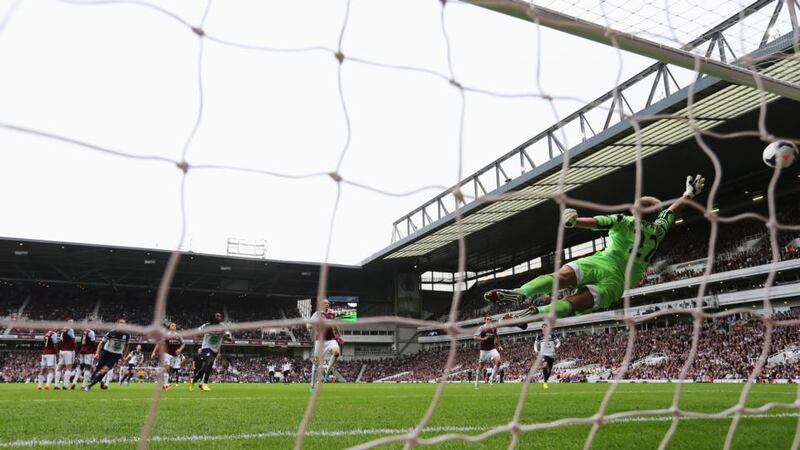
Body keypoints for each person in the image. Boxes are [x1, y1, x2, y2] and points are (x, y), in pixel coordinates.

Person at [485, 175, 706, 321]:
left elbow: (596, 223)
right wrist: (689, 194)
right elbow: (674, 210)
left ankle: (522, 292)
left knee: (560, 277)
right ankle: (538, 313)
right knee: (572, 303)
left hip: (602, 261)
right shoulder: (658, 230)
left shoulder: (624, 221)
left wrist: (575, 221)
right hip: (620, 281)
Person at [84, 319, 131, 392]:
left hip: (116, 355)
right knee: (98, 368)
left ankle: (90, 386)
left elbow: (127, 346)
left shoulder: (127, 335)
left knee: (105, 370)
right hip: (106, 352)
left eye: (124, 323)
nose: (122, 325)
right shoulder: (111, 333)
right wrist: (97, 353)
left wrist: (123, 356)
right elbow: (101, 343)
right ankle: (92, 377)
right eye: (121, 323)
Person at [307, 299, 344, 393]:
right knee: (316, 363)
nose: (327, 304)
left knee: (336, 352)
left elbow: (334, 326)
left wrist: (340, 336)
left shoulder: (332, 315)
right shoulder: (317, 314)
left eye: (328, 303)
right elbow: (308, 324)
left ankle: (327, 371)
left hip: (331, 339)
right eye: (325, 303)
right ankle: (312, 384)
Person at [190, 313, 231, 392]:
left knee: (207, 366)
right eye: (217, 316)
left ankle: (194, 381)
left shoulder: (223, 327)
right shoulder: (206, 326)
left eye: (220, 316)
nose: (219, 317)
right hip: (206, 347)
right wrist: (196, 341)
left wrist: (227, 338)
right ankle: (204, 383)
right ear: (213, 318)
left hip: (215, 349)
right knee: (209, 363)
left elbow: (227, 336)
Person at [151, 322, 184, 391]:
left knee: (170, 370)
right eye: (172, 325)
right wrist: (154, 352)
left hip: (174, 356)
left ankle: (165, 384)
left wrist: (180, 350)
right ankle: (166, 385)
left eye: (175, 326)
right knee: (167, 368)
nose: (174, 327)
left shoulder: (178, 335)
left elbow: (183, 344)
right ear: (170, 327)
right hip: (167, 354)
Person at [473, 316, 502, 389]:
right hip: (483, 350)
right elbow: (474, 337)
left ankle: (491, 378)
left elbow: (497, 336)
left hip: (492, 348)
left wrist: (499, 345)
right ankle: (477, 382)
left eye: (490, 319)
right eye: (487, 319)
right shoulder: (481, 328)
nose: (489, 320)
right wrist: (483, 338)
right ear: (485, 320)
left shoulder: (494, 328)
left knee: (498, 361)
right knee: (481, 367)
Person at [534, 323, 561, 389]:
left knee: (549, 371)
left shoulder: (552, 335)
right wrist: (536, 350)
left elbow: (558, 342)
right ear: (542, 328)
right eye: (543, 327)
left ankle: (545, 380)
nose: (545, 328)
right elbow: (535, 344)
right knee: (545, 365)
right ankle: (545, 382)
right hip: (543, 354)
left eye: (546, 327)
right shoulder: (539, 336)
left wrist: (557, 346)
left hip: (551, 354)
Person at [54, 320, 76, 390]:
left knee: (59, 368)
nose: (72, 323)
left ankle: (56, 385)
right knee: (69, 368)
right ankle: (65, 385)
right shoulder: (70, 330)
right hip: (68, 351)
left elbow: (60, 341)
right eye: (71, 322)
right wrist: (74, 347)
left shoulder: (63, 330)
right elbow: (73, 340)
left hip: (62, 351)